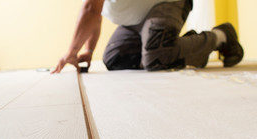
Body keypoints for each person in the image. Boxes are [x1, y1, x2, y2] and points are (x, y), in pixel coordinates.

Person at [52, 0, 244, 73]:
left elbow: (90, 10)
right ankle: (179, 48)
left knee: (155, 56)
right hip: (138, 19)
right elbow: (95, 16)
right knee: (114, 58)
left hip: (167, 2)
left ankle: (221, 36)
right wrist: (88, 51)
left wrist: (71, 52)